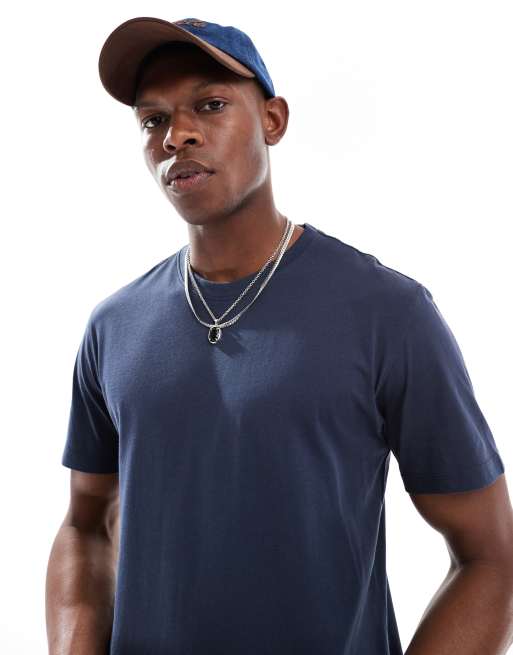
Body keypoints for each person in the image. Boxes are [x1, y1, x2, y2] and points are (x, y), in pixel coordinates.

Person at [45, 16, 513, 655]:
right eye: (153, 120)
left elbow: (492, 556)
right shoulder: (113, 326)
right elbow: (85, 526)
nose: (177, 135)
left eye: (210, 105)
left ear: (273, 120)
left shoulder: (387, 312)